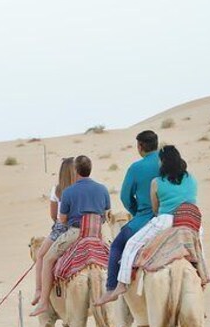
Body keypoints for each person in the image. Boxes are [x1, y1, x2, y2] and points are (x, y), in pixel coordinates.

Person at [96, 145, 197, 305]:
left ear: (163, 162)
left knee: (130, 244)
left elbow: (156, 209)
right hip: (191, 220)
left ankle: (120, 285)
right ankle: (201, 280)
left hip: (165, 220)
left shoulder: (157, 182)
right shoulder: (191, 178)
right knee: (198, 250)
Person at [30, 155, 111, 317]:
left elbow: (61, 219)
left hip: (73, 231)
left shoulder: (66, 192)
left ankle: (43, 299)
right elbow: (107, 215)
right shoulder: (102, 189)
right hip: (96, 231)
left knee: (46, 259)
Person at [98, 130, 160, 305]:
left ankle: (112, 288)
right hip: (170, 216)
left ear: (140, 147)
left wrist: (137, 211)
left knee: (117, 244)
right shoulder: (168, 163)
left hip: (145, 218)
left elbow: (125, 197)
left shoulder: (136, 168)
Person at [31, 157, 76, 305]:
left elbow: (53, 215)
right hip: (83, 227)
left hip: (61, 228)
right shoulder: (80, 188)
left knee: (41, 256)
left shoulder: (57, 190)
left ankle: (39, 290)